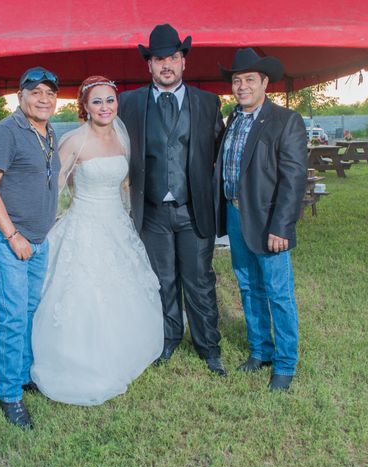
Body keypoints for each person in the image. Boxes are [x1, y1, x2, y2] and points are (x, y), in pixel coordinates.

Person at [0, 75, 163, 422]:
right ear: (84, 107)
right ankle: (12, 390)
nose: (104, 107)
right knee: (23, 311)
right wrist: (30, 230)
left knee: (43, 304)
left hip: (114, 226)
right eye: (96, 102)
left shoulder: (119, 137)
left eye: (110, 100)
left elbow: (122, 184)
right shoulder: (71, 141)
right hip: (75, 224)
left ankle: (48, 367)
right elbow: (51, 185)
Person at [118, 24, 227, 376]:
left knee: (199, 280)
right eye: (159, 58)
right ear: (149, 64)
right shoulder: (129, 102)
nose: (167, 64)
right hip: (150, 211)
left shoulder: (208, 103)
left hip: (192, 209)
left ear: (184, 62)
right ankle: (168, 340)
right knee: (161, 280)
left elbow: (220, 155)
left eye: (174, 57)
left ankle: (208, 346)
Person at [214, 48, 308, 391]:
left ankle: (285, 363)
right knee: (248, 286)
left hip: (269, 220)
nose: (242, 87)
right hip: (235, 213)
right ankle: (260, 350)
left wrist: (282, 226)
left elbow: (294, 179)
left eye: (249, 80)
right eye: (237, 80)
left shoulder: (286, 120)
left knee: (278, 292)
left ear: (264, 82)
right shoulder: (233, 119)